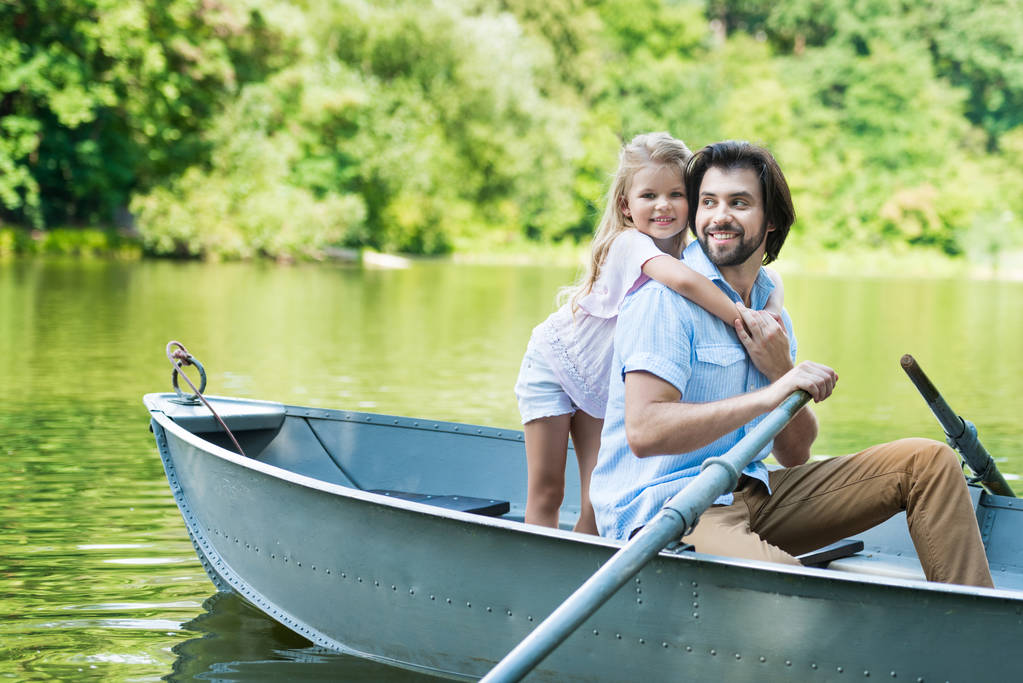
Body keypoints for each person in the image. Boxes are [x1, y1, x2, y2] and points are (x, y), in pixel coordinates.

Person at [589, 140, 993, 587]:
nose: (719, 216)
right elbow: (645, 432)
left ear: (772, 219)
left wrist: (780, 371)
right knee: (796, 589)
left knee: (929, 462)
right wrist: (772, 394)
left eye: (739, 203)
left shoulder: (770, 309)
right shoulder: (663, 301)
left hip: (753, 492)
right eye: (708, 202)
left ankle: (976, 622)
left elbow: (794, 454)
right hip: (667, 509)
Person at [514, 133, 784, 534]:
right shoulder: (630, 243)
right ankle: (535, 563)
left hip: (605, 379)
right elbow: (687, 283)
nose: (663, 206)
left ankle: (592, 568)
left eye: (677, 194)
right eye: (649, 196)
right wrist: (745, 319)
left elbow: (771, 279)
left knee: (594, 500)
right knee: (547, 490)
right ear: (626, 205)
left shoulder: (692, 249)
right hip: (557, 363)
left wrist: (772, 313)